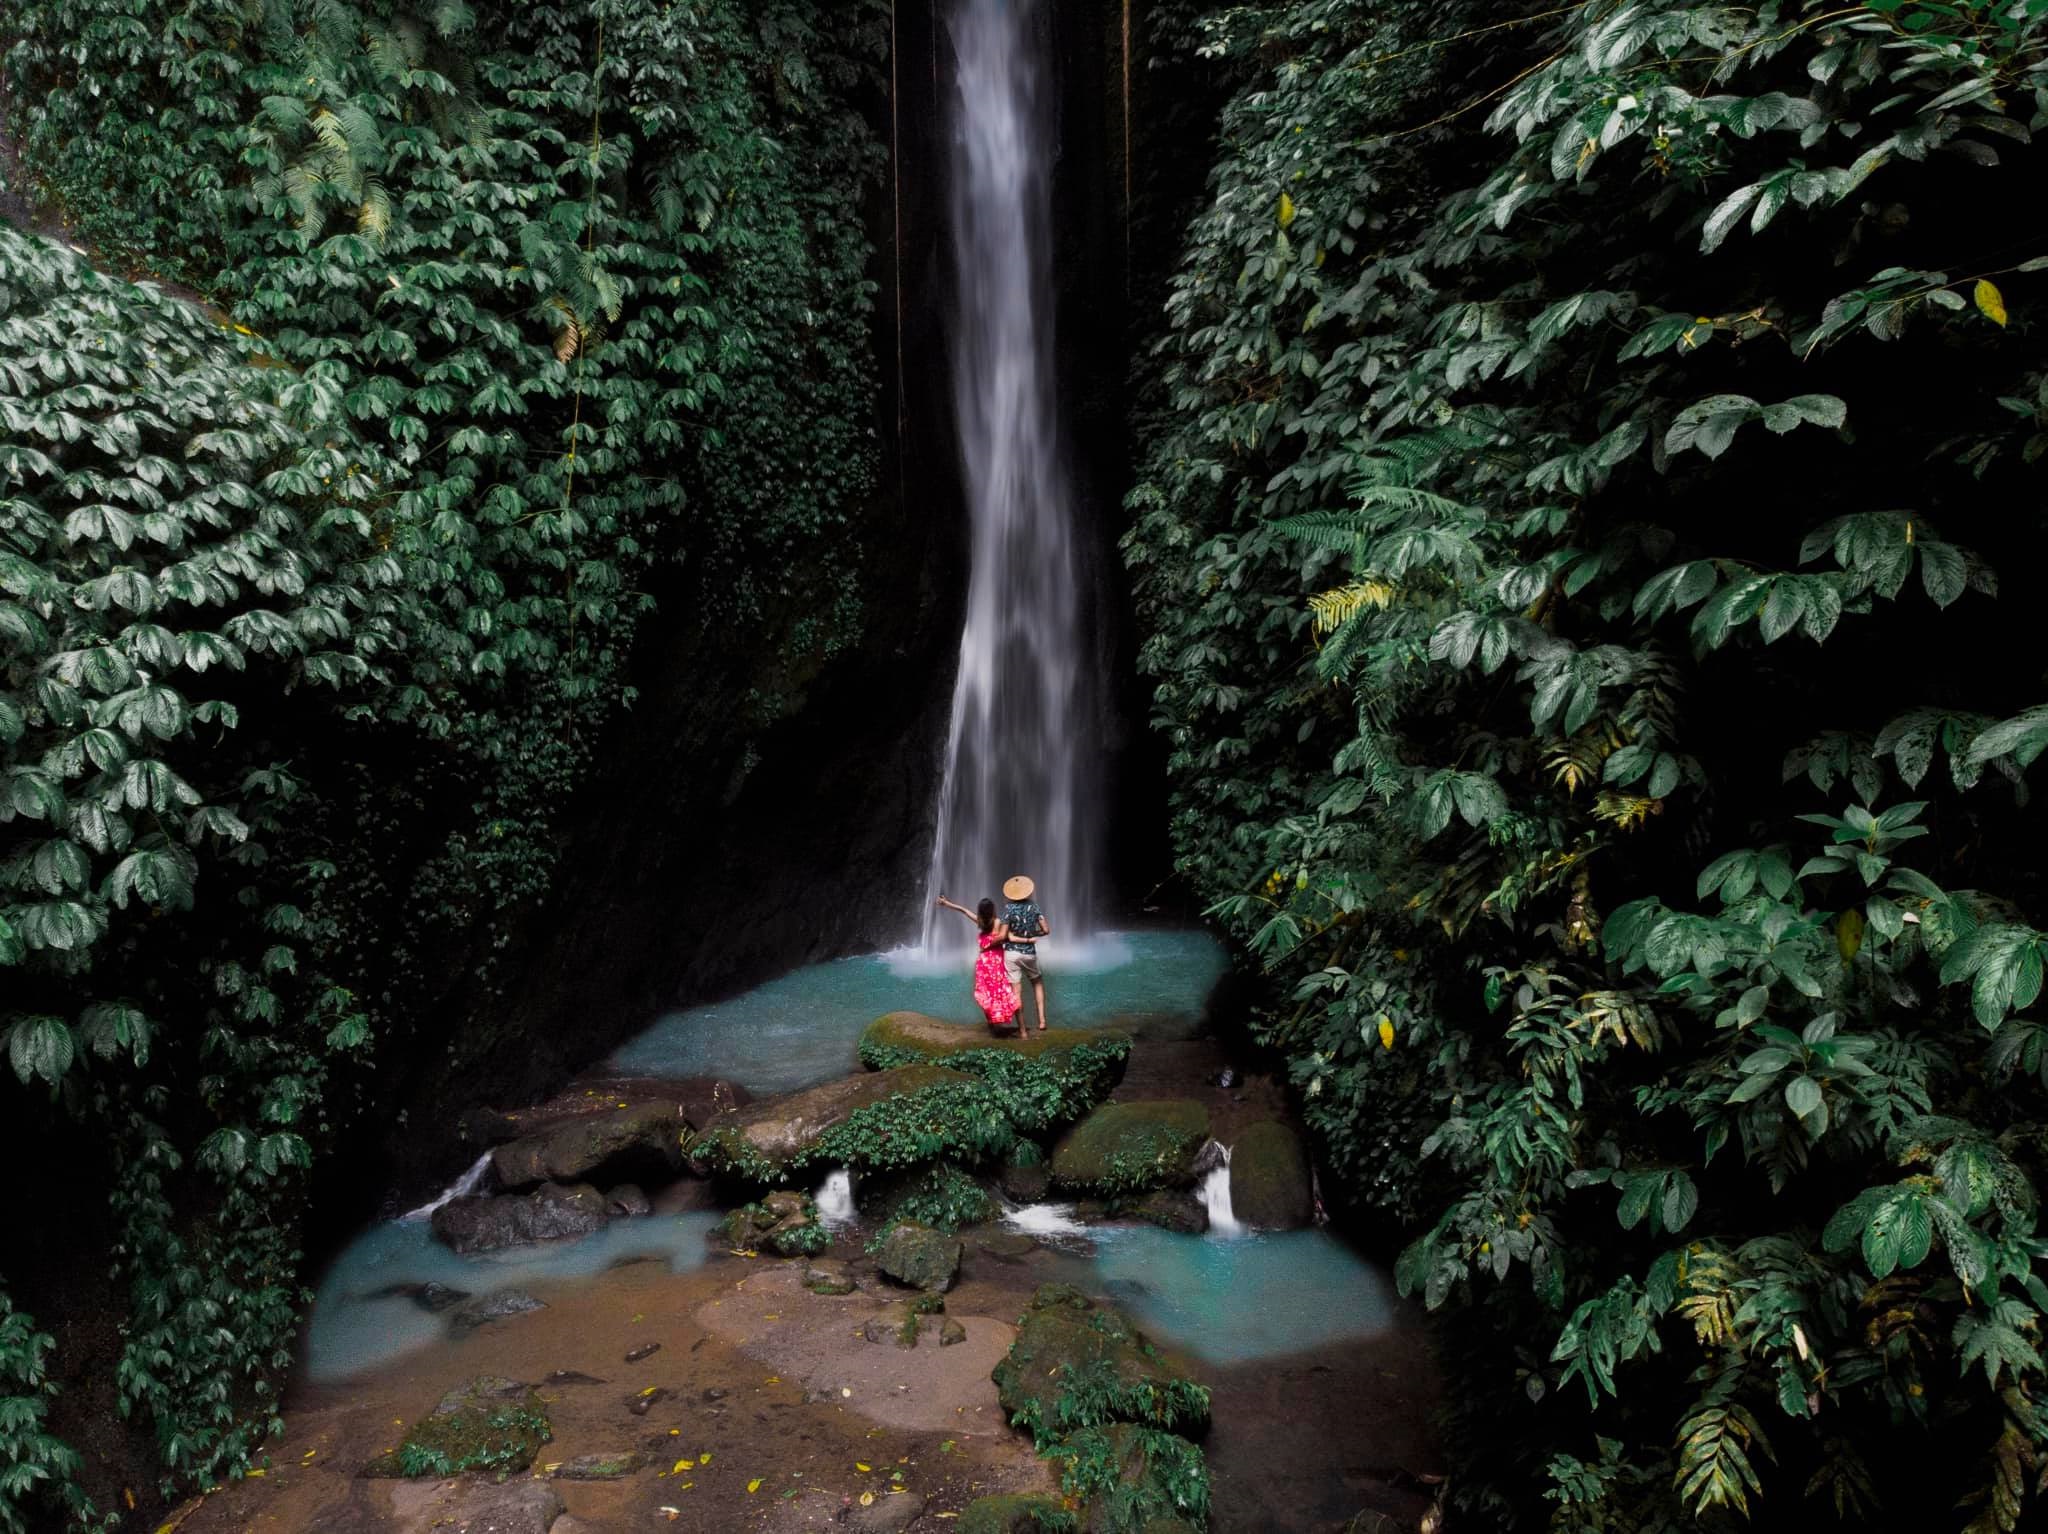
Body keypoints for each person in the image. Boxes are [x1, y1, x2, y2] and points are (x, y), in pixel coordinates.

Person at [933, 895, 1020, 1032]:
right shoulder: (997, 922)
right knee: (999, 990)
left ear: (980, 911)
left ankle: (992, 1023)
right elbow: (1003, 938)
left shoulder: (980, 921)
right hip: (995, 961)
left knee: (986, 991)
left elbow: (964, 910)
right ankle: (999, 1021)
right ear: (992, 910)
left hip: (983, 962)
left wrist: (946, 903)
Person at [1000, 874, 1050, 1031]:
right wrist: (1033, 935)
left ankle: (1022, 1028)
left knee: (1016, 991)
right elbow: (1046, 930)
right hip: (1029, 954)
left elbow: (1004, 934)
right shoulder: (1034, 907)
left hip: (1011, 954)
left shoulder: (1008, 909)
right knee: (1037, 983)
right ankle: (1042, 1021)